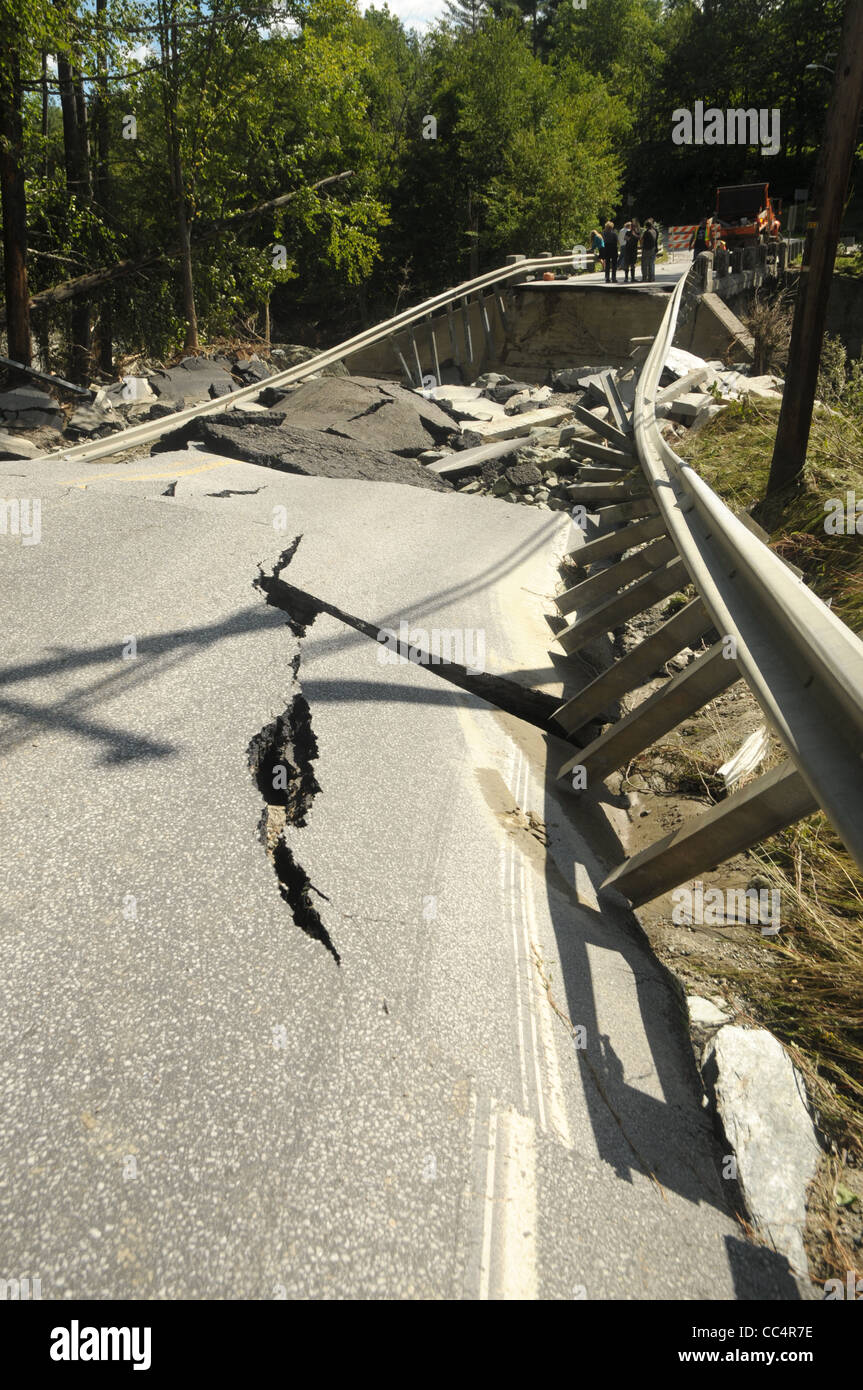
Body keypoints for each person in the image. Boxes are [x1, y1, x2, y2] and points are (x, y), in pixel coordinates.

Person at [624, 218, 640, 282]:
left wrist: (634, 235)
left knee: (633, 264)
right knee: (627, 264)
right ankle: (626, 278)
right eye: (632, 226)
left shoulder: (637, 233)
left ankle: (632, 278)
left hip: (634, 250)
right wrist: (631, 236)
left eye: (634, 226)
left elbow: (639, 238)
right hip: (628, 249)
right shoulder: (628, 232)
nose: (633, 227)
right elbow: (625, 238)